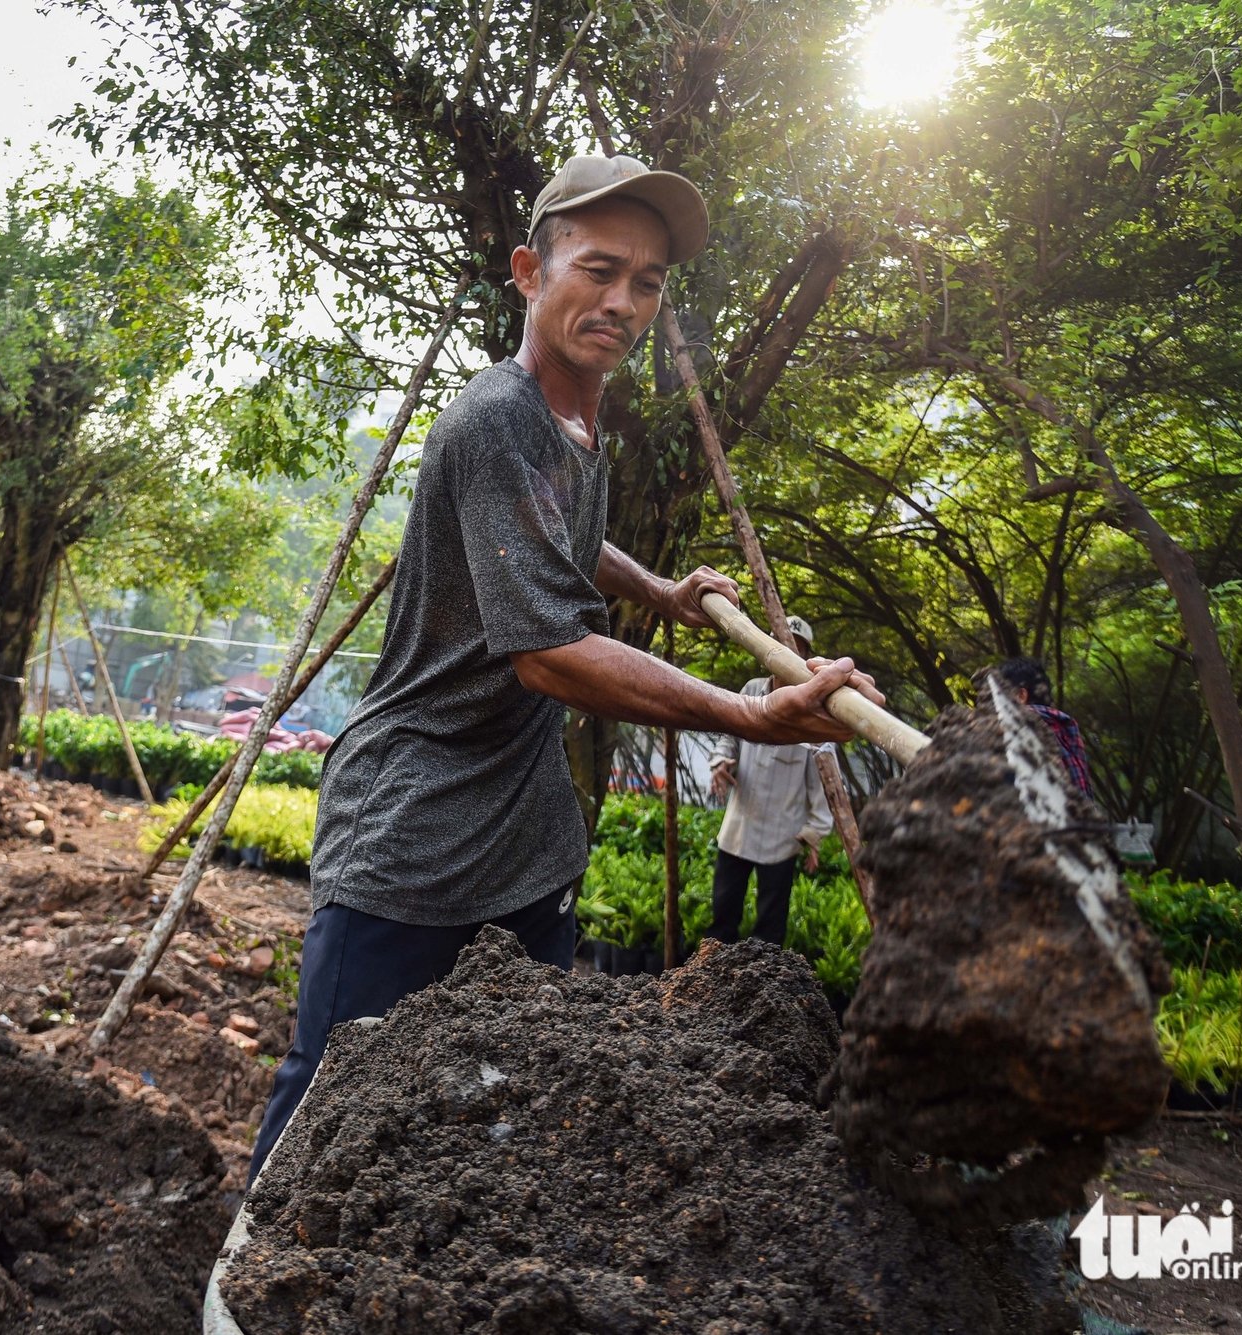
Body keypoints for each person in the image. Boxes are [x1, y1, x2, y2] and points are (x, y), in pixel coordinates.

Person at [247, 153, 885, 1183]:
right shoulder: (498, 416)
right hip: (414, 833)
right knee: (331, 1104)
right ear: (527, 273)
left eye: (646, 282)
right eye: (596, 269)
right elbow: (545, 655)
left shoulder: (575, 422)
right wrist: (750, 714)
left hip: (519, 832)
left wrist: (660, 593)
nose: (621, 302)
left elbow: (562, 539)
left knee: (501, 1099)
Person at [707, 615, 835, 949]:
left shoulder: (814, 714)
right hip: (739, 829)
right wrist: (720, 763)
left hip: (782, 836)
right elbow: (728, 738)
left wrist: (814, 834)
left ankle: (761, 993)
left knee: (770, 928)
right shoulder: (752, 690)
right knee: (723, 914)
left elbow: (822, 779)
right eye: (781, 647)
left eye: (797, 650)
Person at [991, 656, 1094, 799]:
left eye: (997, 695)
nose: (993, 705)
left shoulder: (1020, 726)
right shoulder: (1064, 726)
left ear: (1021, 695)